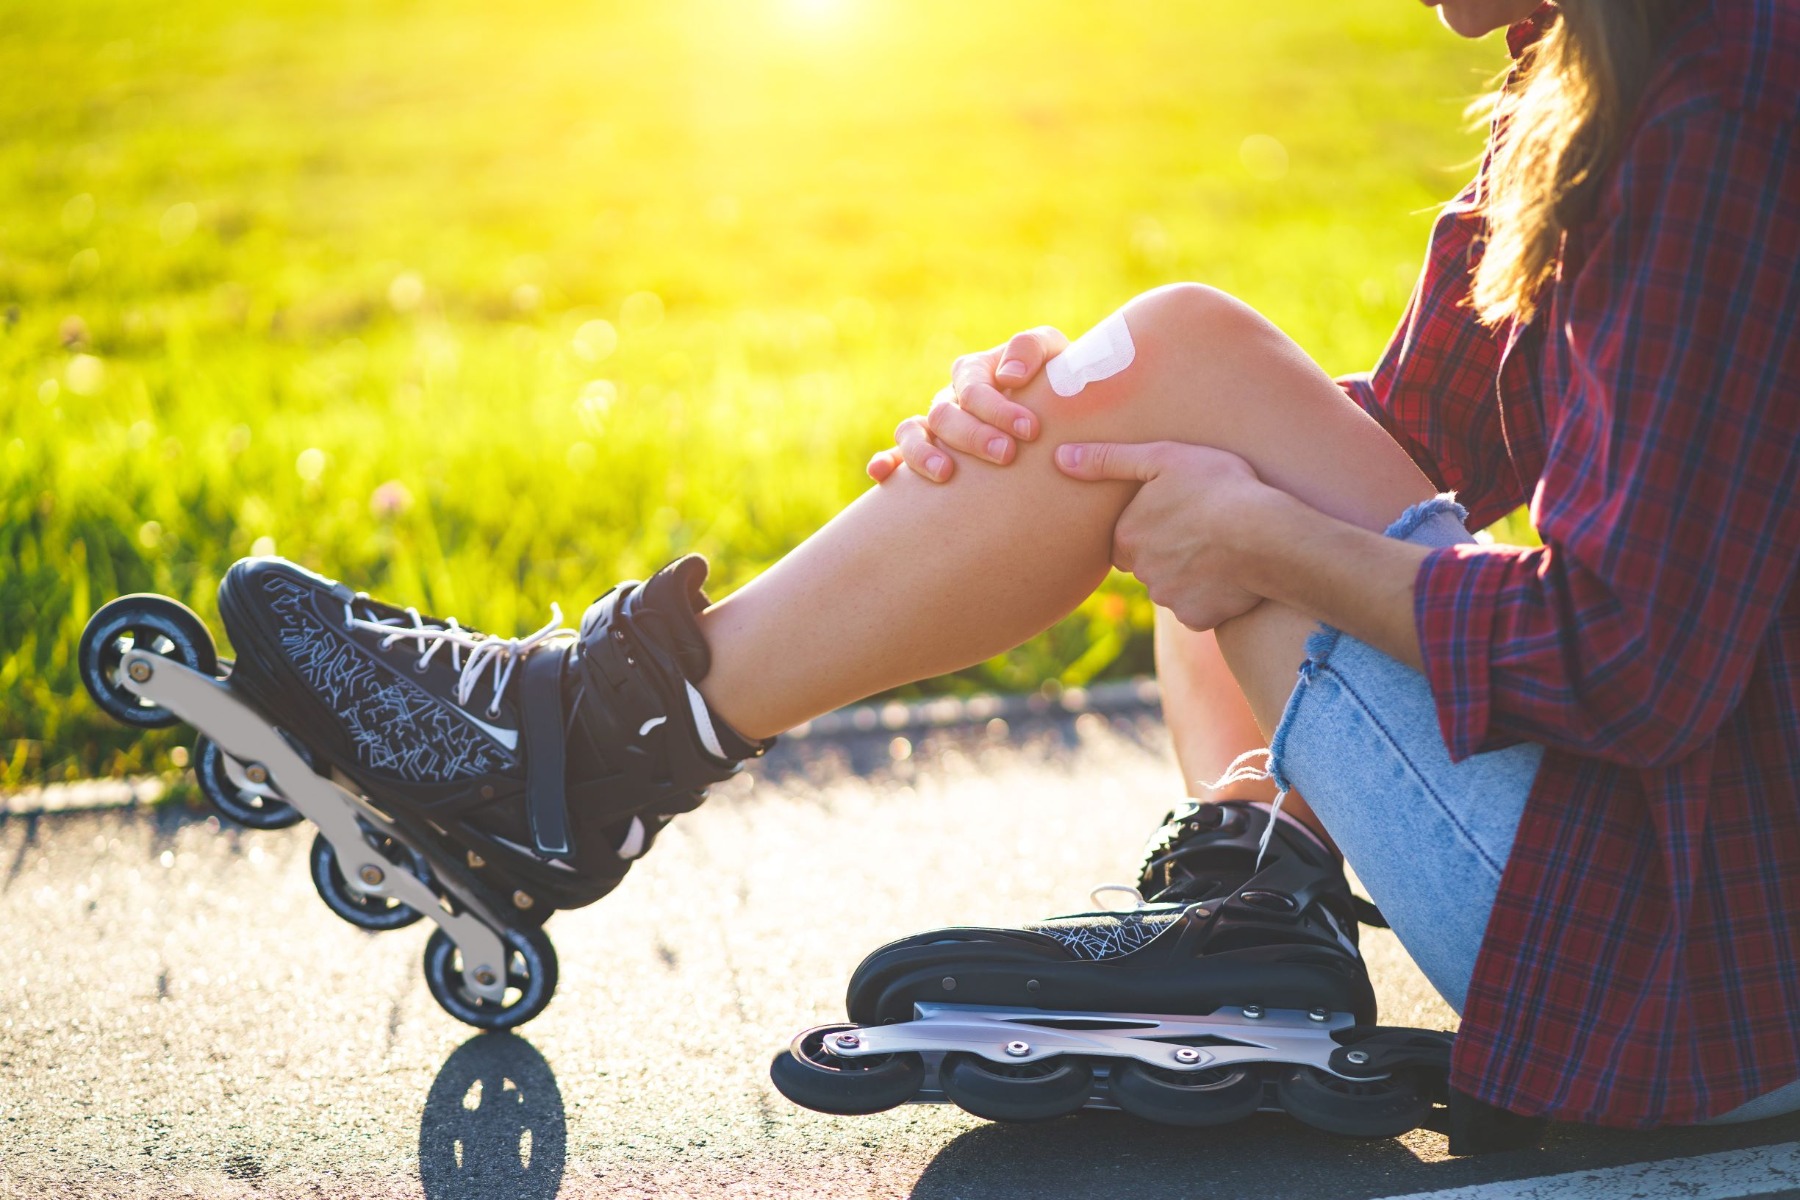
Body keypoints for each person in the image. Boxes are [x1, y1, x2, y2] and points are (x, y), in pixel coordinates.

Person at [215, 0, 1799, 1130]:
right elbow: (1407, 433)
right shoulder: (1605, 62)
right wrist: (1070, 417)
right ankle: (1261, 900)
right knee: (1171, 416)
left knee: (1198, 431)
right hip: (1681, 886)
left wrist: (1245, 513)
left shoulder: (1729, 90)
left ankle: (580, 746)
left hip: (1694, 950)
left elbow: (1635, 657)